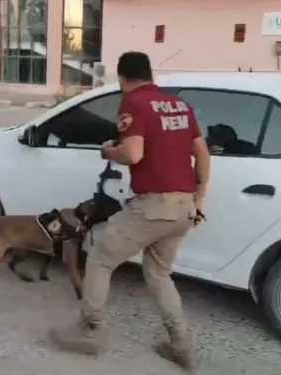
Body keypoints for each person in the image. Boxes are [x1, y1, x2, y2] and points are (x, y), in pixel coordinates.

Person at [49, 51, 210, 373]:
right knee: (159, 274)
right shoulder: (180, 105)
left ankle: (91, 330)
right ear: (150, 74)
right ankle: (181, 346)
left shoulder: (134, 103)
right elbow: (202, 154)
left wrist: (109, 150)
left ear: (122, 78)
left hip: (152, 206)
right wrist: (199, 200)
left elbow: (133, 153)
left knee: (99, 256)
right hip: (183, 206)